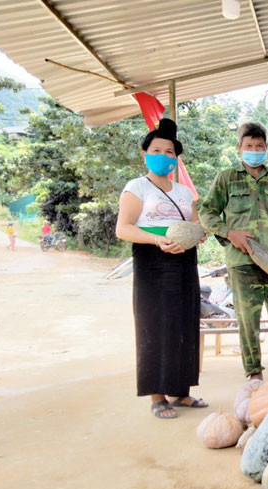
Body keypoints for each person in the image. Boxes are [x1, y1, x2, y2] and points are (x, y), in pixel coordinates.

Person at [115, 118, 208, 419]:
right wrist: (158, 240)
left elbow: (194, 225)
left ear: (176, 158)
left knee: (184, 322)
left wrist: (198, 235)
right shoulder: (136, 187)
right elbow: (123, 228)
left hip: (183, 260)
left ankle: (181, 391)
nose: (164, 156)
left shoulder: (184, 193)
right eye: (157, 150)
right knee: (154, 324)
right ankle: (157, 395)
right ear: (145, 154)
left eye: (170, 152)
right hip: (152, 261)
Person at [199, 122, 268, 380]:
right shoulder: (227, 178)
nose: (254, 150)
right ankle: (254, 376)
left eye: (259, 146)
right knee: (248, 323)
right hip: (242, 263)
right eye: (249, 146)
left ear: (266, 148)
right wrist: (229, 233)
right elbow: (207, 212)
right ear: (239, 148)